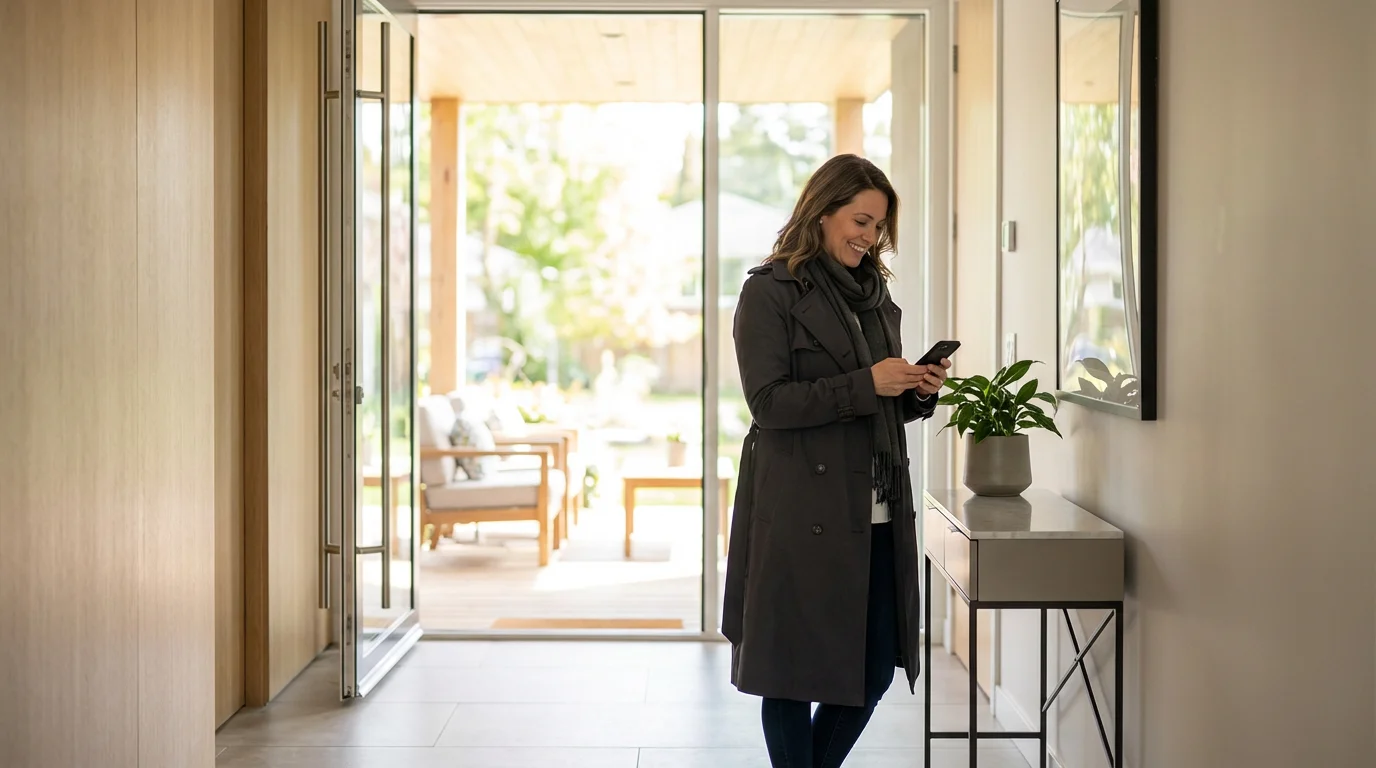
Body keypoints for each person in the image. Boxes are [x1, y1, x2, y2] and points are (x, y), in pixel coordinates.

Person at [721, 154, 951, 768]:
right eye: (859, 219)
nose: (869, 236)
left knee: (876, 668)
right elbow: (767, 404)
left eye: (878, 226)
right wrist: (866, 384)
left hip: (874, 507)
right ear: (821, 212)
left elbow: (879, 405)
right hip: (800, 508)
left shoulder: (876, 299)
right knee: (791, 675)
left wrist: (914, 392)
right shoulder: (768, 291)